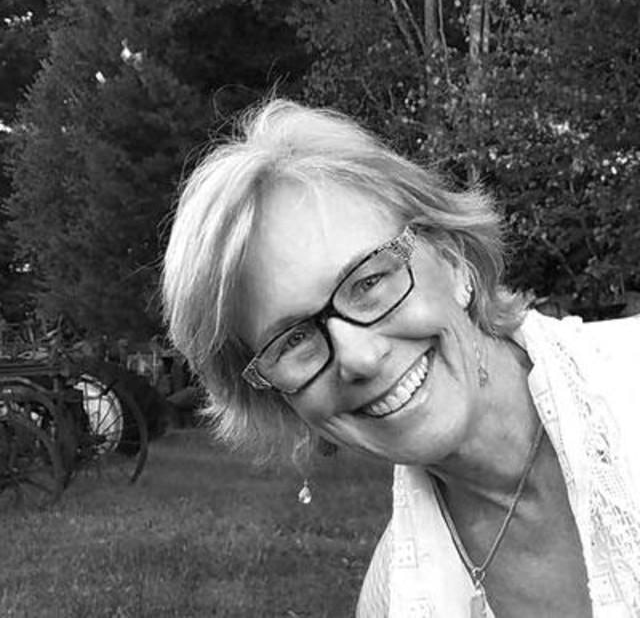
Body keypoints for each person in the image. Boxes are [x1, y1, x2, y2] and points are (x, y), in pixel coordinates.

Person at [162, 98, 640, 617]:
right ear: (280, 398)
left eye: (369, 281)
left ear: (453, 261)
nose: (360, 358)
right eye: (293, 340)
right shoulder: (395, 599)